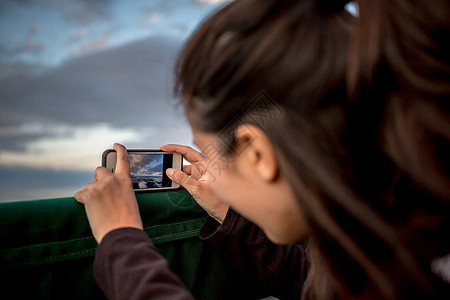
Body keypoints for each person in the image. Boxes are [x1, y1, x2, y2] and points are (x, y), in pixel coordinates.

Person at [74, 0, 450, 299]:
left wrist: (121, 239)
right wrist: (227, 209)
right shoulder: (407, 248)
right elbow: (314, 288)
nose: (215, 176)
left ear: (257, 155)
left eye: (210, 151)